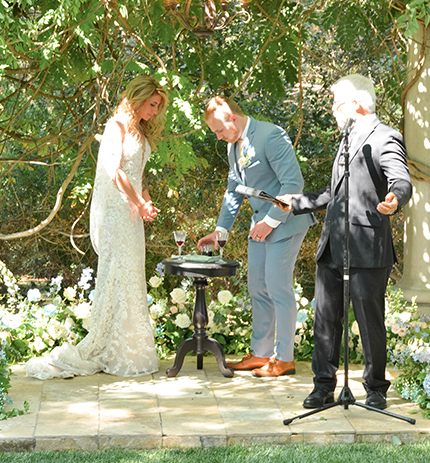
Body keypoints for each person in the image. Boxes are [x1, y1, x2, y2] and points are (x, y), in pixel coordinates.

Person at [276, 74, 412, 410]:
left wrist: (394, 198)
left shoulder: (384, 137)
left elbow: (401, 179)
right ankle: (323, 386)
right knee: (325, 318)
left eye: (338, 102)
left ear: (357, 104)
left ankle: (376, 388)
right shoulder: (347, 138)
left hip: (367, 246)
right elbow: (336, 194)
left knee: (369, 320)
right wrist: (297, 202)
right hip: (333, 245)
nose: (334, 109)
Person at [26, 74, 169, 379]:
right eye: (152, 104)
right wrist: (137, 203)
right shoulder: (115, 126)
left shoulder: (141, 132)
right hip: (118, 211)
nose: (155, 111)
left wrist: (147, 201)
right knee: (118, 271)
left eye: (158, 106)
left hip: (132, 213)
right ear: (138, 98)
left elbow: (139, 174)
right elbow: (114, 170)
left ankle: (129, 349)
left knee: (131, 274)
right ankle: (108, 346)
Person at [197, 96, 315, 377]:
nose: (219, 136)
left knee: (278, 288)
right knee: (257, 288)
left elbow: (293, 183)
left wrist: (270, 221)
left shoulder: (270, 135)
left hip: (285, 223)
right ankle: (261, 354)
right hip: (259, 225)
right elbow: (233, 191)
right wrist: (220, 231)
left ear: (232, 119)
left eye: (220, 130)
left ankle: (284, 358)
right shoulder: (232, 146)